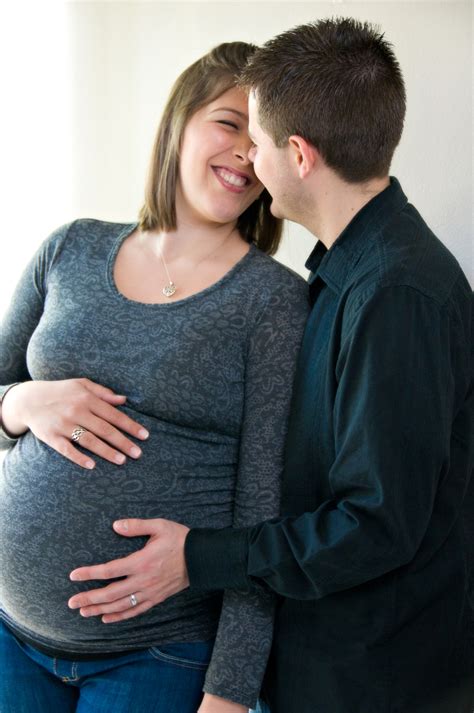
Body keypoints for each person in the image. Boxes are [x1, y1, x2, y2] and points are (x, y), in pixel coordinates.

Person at [67, 18, 474, 713]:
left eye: (255, 141)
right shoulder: (351, 276)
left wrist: (199, 556)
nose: (248, 160)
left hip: (372, 684)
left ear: (299, 154)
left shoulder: (397, 293)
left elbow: (375, 525)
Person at [0, 42, 309, 713]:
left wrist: (229, 692)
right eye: (230, 123)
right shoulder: (69, 247)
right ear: (179, 119)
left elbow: (264, 509)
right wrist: (22, 400)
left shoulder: (274, 302)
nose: (245, 155)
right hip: (10, 637)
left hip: (158, 651)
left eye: (262, 143)